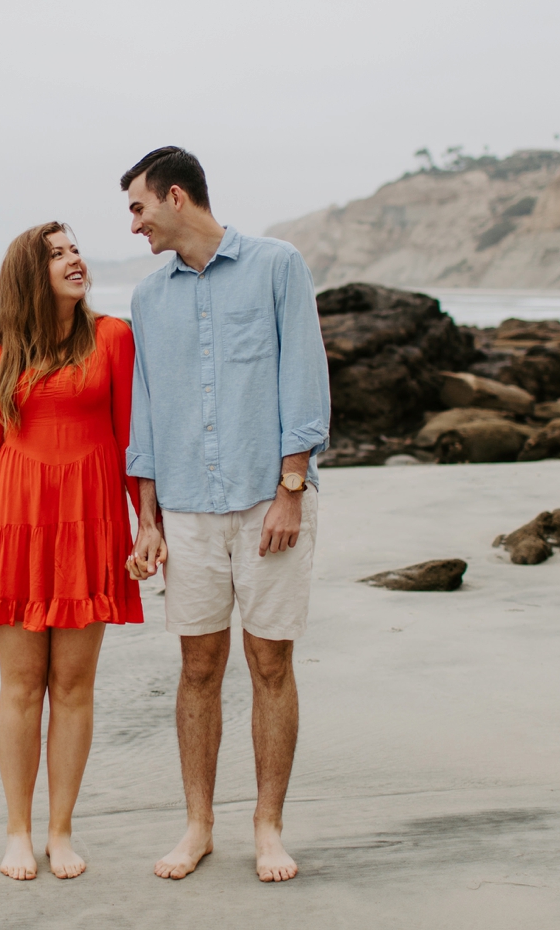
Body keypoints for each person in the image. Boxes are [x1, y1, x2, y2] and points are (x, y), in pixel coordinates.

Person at [121, 147, 331, 883]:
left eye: (139, 208)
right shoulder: (149, 299)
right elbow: (143, 413)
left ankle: (268, 827)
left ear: (176, 197)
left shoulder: (278, 265)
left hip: (266, 503)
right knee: (197, 667)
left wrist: (290, 490)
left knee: (270, 661)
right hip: (185, 510)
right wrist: (144, 519)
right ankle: (198, 825)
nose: (136, 226)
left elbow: (304, 378)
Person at [0, 221, 144, 881]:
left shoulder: (113, 336)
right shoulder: (0, 348)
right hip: (14, 524)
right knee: (22, 686)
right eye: (57, 254)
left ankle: (61, 831)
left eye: (75, 249)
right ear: (32, 272)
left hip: (90, 525)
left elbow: (127, 442)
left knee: (75, 685)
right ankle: (18, 832)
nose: (74, 260)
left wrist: (149, 523)